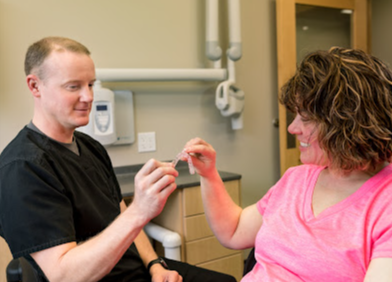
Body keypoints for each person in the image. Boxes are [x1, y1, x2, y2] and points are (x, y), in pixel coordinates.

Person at [0, 37, 236, 282]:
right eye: (73, 86)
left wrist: (155, 265)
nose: (89, 96)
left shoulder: (91, 147)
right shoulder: (23, 168)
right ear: (35, 86)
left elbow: (120, 214)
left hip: (137, 270)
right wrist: (140, 211)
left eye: (90, 84)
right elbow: (63, 276)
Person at [182, 47, 392, 281]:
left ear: (348, 123)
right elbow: (234, 230)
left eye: (307, 118)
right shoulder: (296, 179)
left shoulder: (385, 203)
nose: (292, 128)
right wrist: (209, 174)